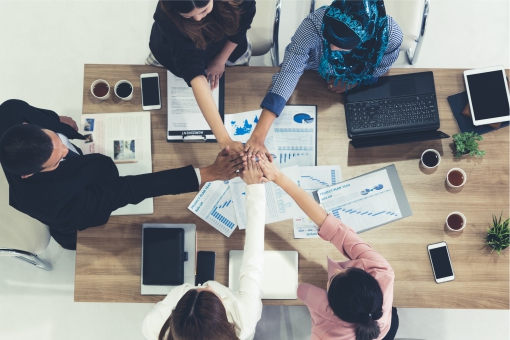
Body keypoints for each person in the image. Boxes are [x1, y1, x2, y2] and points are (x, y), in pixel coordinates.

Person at [0, 99, 245, 250]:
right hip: (79, 219)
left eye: (55, 139)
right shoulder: (57, 204)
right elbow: (129, 190)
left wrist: (56, 122)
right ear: (28, 175)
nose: (65, 148)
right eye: (58, 159)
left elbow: (36, 115)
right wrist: (207, 173)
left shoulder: (9, 112)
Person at [257, 153, 399, 340]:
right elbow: (328, 224)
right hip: (382, 329)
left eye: (333, 279)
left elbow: (303, 290)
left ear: (329, 307)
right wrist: (279, 177)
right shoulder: (381, 270)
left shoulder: (325, 334)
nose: (339, 270)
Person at [244, 0, 403, 157]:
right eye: (330, 38)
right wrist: (258, 136)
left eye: (342, 44)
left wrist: (354, 81)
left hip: (344, 89)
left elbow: (384, 62)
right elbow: (290, 71)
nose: (333, 49)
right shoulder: (312, 25)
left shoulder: (389, 34)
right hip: (310, 72)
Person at [142, 157, 266, 340]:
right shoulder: (245, 319)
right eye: (211, 292)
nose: (205, 285)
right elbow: (253, 259)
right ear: (224, 320)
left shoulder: (154, 327)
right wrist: (255, 188)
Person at [147, 0, 256, 154]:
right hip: (172, 53)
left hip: (228, 47)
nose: (198, 19)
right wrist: (224, 140)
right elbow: (188, 63)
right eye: (187, 15)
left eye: (204, 10)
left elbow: (243, 24)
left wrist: (220, 60)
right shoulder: (166, 13)